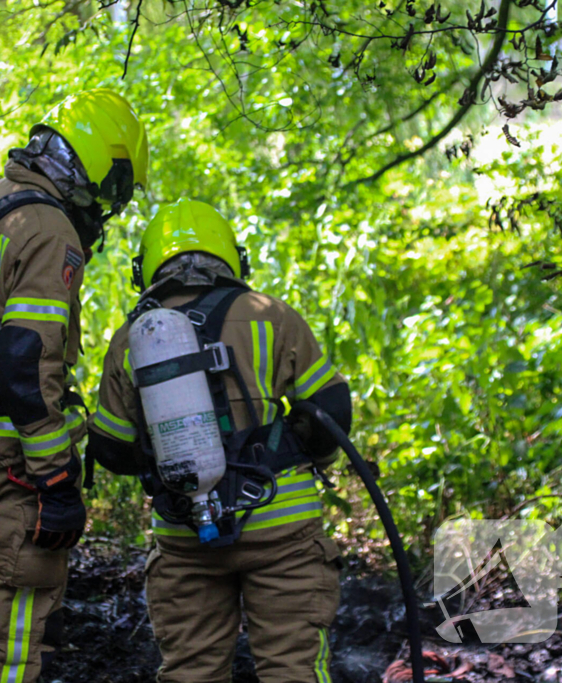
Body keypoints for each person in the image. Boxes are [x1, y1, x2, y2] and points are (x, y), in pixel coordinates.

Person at [86, 198, 350, 683]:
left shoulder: (131, 338)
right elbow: (331, 412)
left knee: (191, 672)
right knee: (293, 669)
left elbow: (111, 448)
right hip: (282, 528)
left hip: (185, 536)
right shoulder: (270, 315)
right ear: (232, 257)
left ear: (146, 269)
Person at [0, 89, 148, 683]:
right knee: (15, 639)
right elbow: (26, 356)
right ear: (94, 165)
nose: (106, 210)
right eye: (112, 191)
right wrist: (55, 477)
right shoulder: (48, 225)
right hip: (15, 465)